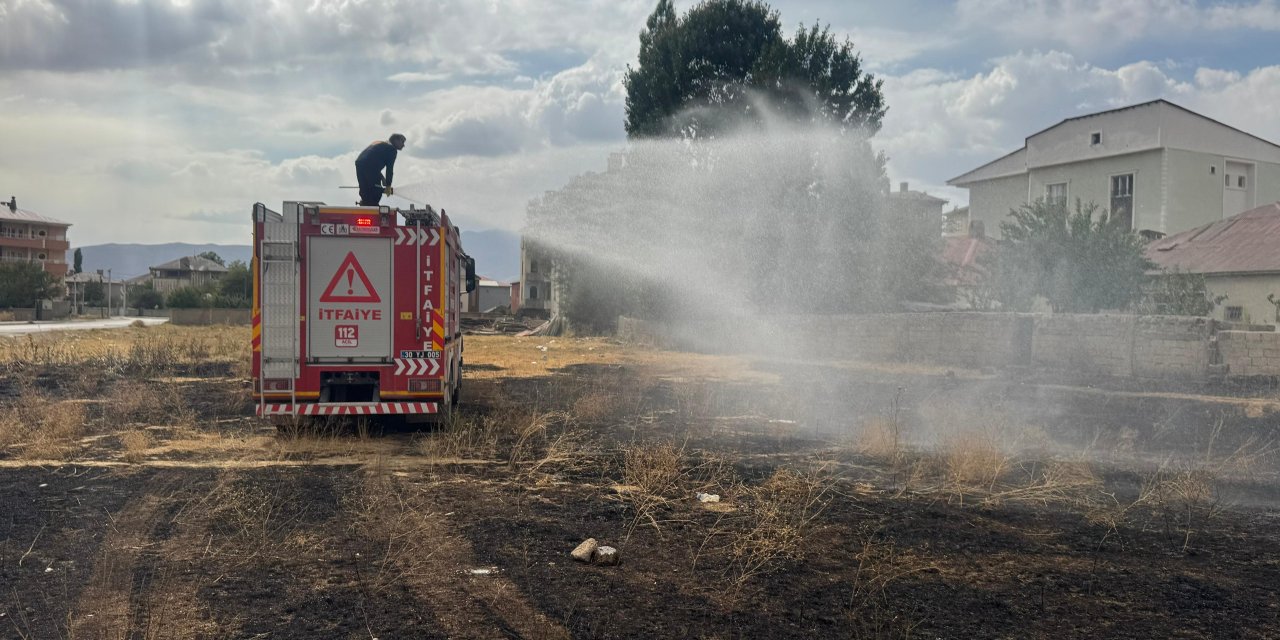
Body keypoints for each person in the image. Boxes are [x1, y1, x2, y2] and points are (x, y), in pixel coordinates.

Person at [355, 134, 405, 206]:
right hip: (369, 167)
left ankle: (364, 203)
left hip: (359, 163)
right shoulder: (392, 149)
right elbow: (389, 169)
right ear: (395, 140)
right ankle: (372, 206)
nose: (403, 145)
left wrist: (382, 177)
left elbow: (372, 161)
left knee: (365, 189)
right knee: (376, 191)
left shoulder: (378, 143)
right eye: (402, 142)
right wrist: (388, 185)